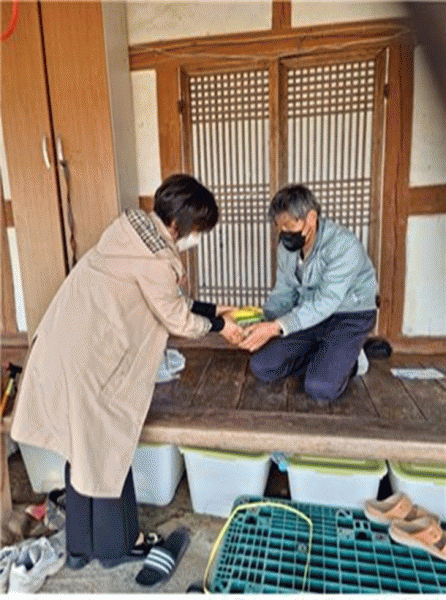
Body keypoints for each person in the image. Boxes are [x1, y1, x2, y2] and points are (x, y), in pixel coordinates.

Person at [11, 174, 244, 570]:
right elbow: (177, 318)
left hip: (62, 347)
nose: (196, 238)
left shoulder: (129, 234)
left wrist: (211, 309)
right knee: (107, 454)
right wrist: (222, 326)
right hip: (91, 363)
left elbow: (165, 298)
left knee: (82, 450)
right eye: (198, 229)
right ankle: (117, 546)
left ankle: (79, 548)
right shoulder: (157, 261)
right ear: (180, 223)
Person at [239, 184, 378, 404]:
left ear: (311, 217)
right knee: (262, 366)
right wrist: (261, 319)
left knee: (320, 387)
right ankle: (329, 355)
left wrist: (276, 327)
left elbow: (326, 301)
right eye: (279, 227)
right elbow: (284, 291)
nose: (284, 232)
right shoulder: (287, 247)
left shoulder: (343, 245)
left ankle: (353, 360)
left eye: (289, 225)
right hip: (309, 314)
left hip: (349, 316)